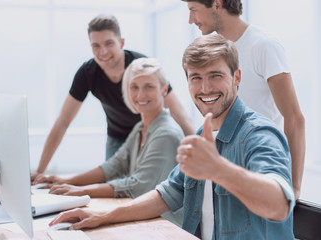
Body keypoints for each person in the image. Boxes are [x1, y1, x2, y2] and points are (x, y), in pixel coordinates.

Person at [49, 34, 295, 240]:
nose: (206, 88)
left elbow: (279, 205)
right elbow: (167, 193)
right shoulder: (201, 136)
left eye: (216, 75)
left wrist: (218, 169)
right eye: (196, 78)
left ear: (237, 78)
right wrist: (102, 216)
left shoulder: (260, 134)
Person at [31, 14, 195, 182]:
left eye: (109, 43)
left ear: (121, 43)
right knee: (112, 189)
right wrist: (39, 171)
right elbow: (63, 121)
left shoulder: (141, 67)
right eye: (96, 46)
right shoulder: (87, 73)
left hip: (147, 136)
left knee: (144, 188)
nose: (103, 52)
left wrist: (202, 154)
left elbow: (179, 114)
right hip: (116, 139)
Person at [182, 0, 305, 200]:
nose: (190, 20)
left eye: (193, 10)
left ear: (217, 4)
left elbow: (295, 118)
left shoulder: (263, 45)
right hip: (223, 165)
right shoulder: (214, 51)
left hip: (258, 165)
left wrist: (294, 188)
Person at [34, 57, 183, 199]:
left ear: (165, 90)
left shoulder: (166, 134)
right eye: (134, 87)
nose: (140, 95)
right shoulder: (140, 129)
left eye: (149, 87)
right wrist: (66, 181)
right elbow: (113, 166)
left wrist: (81, 190)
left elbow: (137, 186)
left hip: (166, 222)